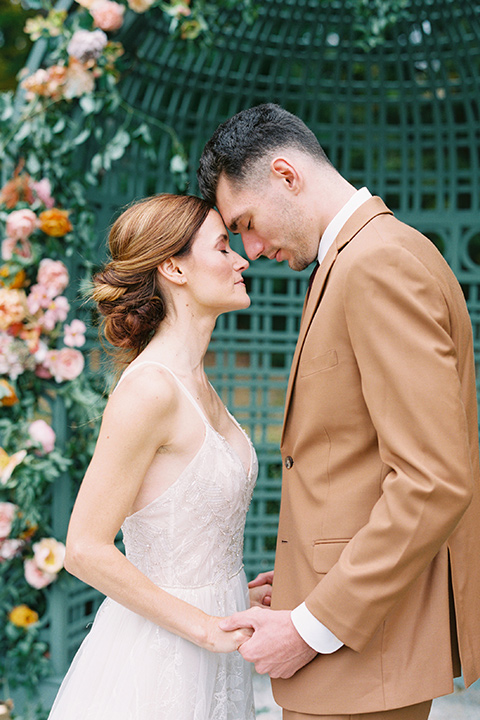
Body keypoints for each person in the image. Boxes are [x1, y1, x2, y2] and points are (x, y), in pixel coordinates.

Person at [196, 103, 480, 720]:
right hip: (353, 642)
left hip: (361, 651)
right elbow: (350, 459)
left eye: (246, 222)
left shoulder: (377, 263)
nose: (253, 248)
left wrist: (312, 626)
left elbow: (433, 481)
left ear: (286, 174)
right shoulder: (357, 258)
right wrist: (301, 571)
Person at [47, 194, 259, 720]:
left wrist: (236, 597)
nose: (242, 261)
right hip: (159, 662)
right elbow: (84, 548)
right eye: (223, 247)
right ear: (172, 267)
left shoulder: (199, 382)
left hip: (217, 651)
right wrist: (205, 626)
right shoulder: (150, 390)